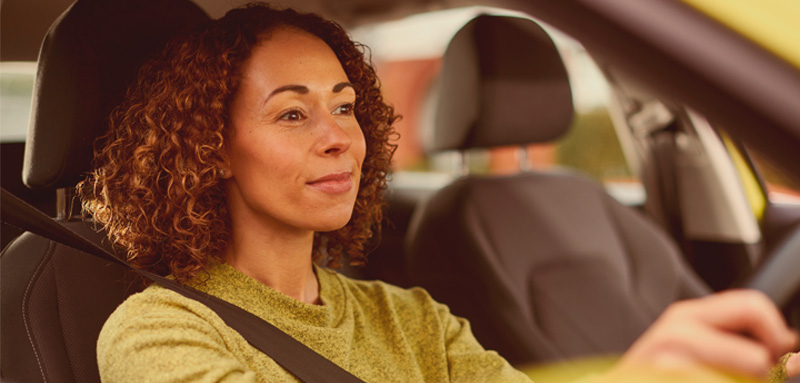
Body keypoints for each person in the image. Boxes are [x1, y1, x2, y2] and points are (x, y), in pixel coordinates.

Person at [80, 3, 797, 382]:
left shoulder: (413, 318)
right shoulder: (158, 331)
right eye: (293, 114)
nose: (339, 138)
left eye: (345, 107)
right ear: (210, 148)